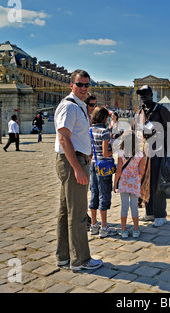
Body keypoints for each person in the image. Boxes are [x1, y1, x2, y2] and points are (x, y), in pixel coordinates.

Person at [54, 69, 102, 271]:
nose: (84, 88)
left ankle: (64, 256)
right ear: (71, 85)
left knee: (66, 211)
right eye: (80, 84)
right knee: (78, 212)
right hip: (72, 162)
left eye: (86, 85)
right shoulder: (69, 107)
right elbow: (64, 138)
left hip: (74, 160)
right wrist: (77, 168)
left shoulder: (78, 106)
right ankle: (81, 259)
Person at [133, 85, 170, 227]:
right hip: (143, 153)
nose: (142, 96)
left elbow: (169, 130)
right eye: (140, 94)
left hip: (158, 151)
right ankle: (150, 212)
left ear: (151, 94)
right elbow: (133, 129)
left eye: (145, 93)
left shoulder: (161, 110)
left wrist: (157, 135)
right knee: (145, 181)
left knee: (157, 182)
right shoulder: (139, 112)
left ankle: (160, 214)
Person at [88, 106, 118, 238]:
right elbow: (106, 153)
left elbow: (89, 151)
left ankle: (94, 225)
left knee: (94, 193)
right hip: (104, 166)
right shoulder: (104, 131)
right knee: (104, 194)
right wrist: (115, 149)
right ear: (104, 117)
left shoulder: (90, 130)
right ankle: (104, 227)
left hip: (93, 164)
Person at [114, 131, 145, 239]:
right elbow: (141, 171)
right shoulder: (140, 154)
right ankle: (136, 230)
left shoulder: (121, 153)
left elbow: (118, 170)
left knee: (124, 206)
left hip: (123, 182)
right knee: (134, 207)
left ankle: (123, 230)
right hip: (135, 183)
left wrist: (115, 183)